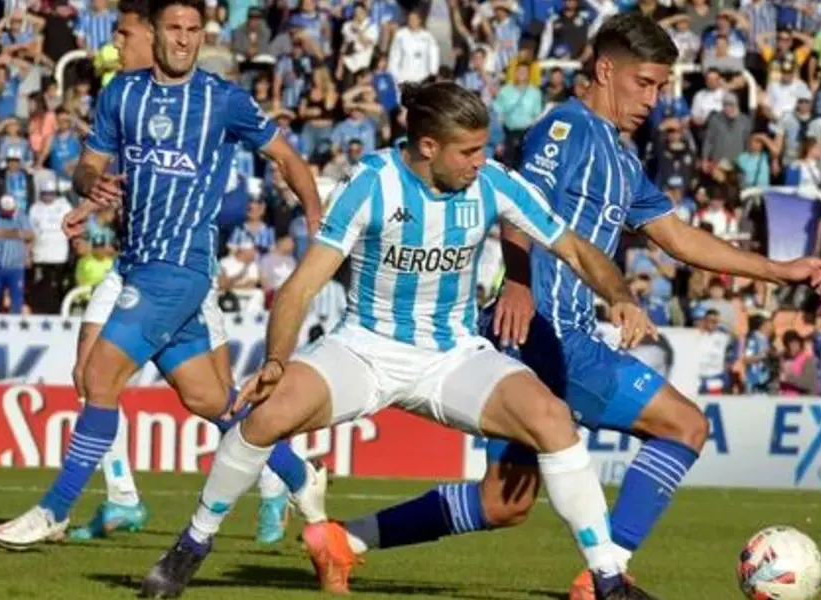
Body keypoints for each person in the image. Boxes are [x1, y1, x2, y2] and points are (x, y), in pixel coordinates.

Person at [309, 13, 821, 600]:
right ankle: (605, 574)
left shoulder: (625, 159)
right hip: (550, 334)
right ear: (606, 69)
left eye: (662, 86)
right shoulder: (566, 127)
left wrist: (777, 268)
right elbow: (517, 200)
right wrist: (519, 283)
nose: (654, 99)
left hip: (548, 335)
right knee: (684, 425)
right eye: (646, 83)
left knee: (501, 503)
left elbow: (679, 238)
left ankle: (343, 539)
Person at [138, 80, 660, 600]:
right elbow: (299, 288)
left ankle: (608, 581)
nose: (481, 161)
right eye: (470, 151)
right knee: (267, 417)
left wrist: (619, 295)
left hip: (452, 355)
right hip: (364, 349)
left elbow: (574, 247)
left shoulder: (494, 183)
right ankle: (193, 543)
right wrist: (277, 360)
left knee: (552, 419)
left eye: (484, 148)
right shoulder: (370, 183)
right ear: (428, 147)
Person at [0, 0, 327, 549]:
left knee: (98, 379)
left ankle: (54, 510)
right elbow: (91, 162)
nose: (185, 39)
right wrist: (86, 184)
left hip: (179, 268)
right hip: (138, 262)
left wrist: (314, 219)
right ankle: (297, 474)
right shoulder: (122, 94)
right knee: (209, 401)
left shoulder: (222, 100)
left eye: (194, 30)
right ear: (156, 33)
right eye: (174, 28)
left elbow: (286, 157)